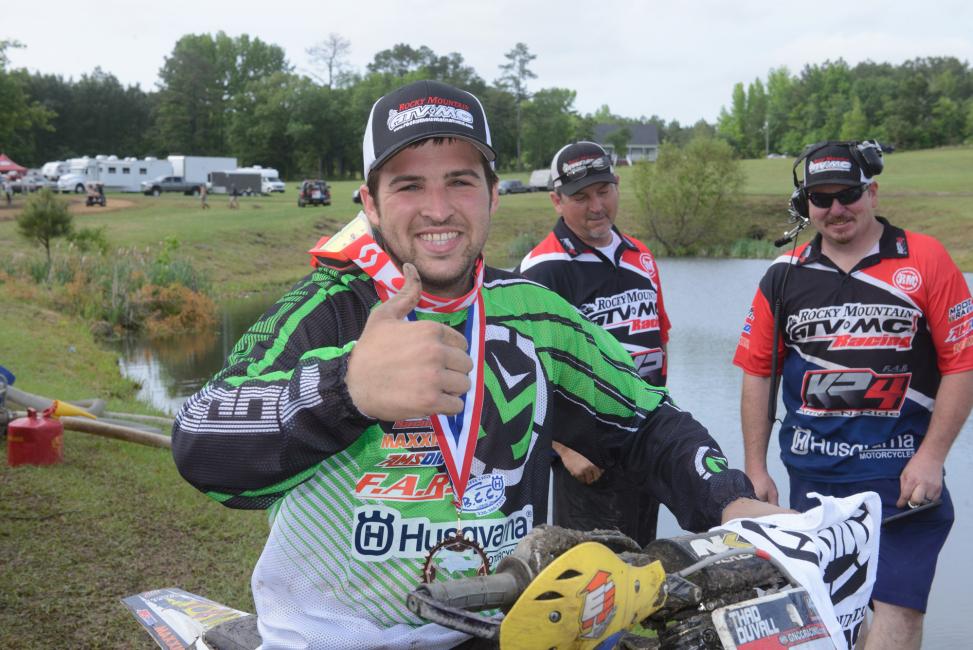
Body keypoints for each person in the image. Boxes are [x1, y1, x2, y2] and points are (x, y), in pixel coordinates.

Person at [172, 79, 779, 649]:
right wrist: (345, 389)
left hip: (493, 627)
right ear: (372, 205)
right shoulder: (324, 310)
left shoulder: (535, 315)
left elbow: (647, 424)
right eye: (409, 185)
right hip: (333, 635)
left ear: (493, 194)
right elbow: (200, 442)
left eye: (460, 181)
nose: (438, 209)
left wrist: (730, 501)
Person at [734, 141, 973, 650]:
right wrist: (756, 468)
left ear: (872, 192)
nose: (836, 209)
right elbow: (758, 373)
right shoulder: (784, 274)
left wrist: (932, 456)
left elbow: (964, 362)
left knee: (899, 610)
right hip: (813, 480)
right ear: (806, 206)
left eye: (848, 194)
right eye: (821, 199)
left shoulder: (925, 258)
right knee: (832, 616)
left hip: (902, 479)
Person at [516, 141, 669, 546]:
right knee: (592, 584)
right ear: (556, 200)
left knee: (643, 563)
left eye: (603, 191)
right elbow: (523, 374)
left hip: (643, 441)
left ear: (617, 186)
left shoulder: (641, 256)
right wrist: (564, 449)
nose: (596, 206)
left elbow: (658, 341)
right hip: (587, 458)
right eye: (581, 197)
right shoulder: (542, 268)